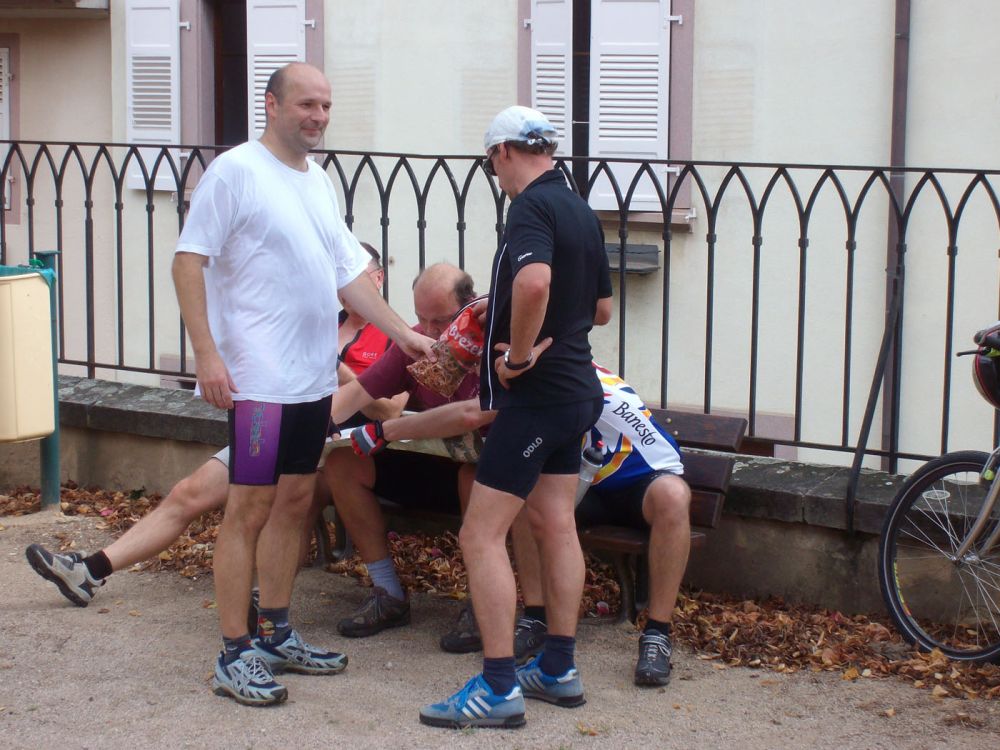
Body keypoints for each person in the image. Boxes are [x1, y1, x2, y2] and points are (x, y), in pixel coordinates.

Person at [171, 62, 432, 707]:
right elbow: (187, 261)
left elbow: (348, 278)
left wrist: (404, 335)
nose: (318, 117)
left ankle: (276, 632)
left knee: (292, 503)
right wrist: (207, 355)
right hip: (258, 383)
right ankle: (234, 653)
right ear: (272, 104)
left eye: (325, 106)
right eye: (306, 105)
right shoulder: (235, 172)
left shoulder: (318, 181)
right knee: (249, 508)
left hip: (312, 380)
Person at [23, 241, 401, 609]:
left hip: (336, 451)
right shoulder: (318, 323)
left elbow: (390, 410)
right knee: (188, 492)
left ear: (378, 278)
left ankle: (264, 607)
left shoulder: (392, 337)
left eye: (353, 277)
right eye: (338, 279)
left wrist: (336, 367)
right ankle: (89, 571)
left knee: (292, 507)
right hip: (275, 432)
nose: (345, 289)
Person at [419, 106, 611, 730]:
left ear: (503, 151)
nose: (495, 176)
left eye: (491, 164)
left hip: (536, 399)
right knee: (555, 523)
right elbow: (601, 310)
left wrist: (519, 356)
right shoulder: (579, 207)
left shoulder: (530, 207)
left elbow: (533, 284)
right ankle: (558, 668)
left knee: (480, 535)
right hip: (577, 391)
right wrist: (520, 315)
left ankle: (499, 686)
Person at [359, 360, 685, 688]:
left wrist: (386, 431)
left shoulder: (542, 370)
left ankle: (657, 634)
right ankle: (536, 618)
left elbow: (471, 414)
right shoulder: (541, 361)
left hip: (641, 479)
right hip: (582, 476)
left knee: (673, 497)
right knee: (525, 499)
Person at [323, 262, 480, 639]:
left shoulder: (491, 342)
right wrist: (312, 429)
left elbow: (474, 416)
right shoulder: (415, 341)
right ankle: (388, 592)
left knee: (472, 474)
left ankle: (481, 602)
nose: (430, 331)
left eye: (440, 321)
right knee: (343, 463)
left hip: (485, 471)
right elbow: (358, 393)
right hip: (430, 462)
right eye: (421, 318)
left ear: (468, 306)